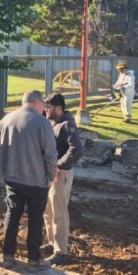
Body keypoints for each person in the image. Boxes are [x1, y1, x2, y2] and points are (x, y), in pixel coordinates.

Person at [0, 90, 57, 271]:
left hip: (12, 179)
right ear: (36, 102)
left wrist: (7, 168)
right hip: (36, 180)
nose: (44, 108)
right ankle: (33, 260)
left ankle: (8, 257)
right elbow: (50, 154)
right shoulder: (42, 123)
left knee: (12, 215)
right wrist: (51, 176)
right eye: (43, 104)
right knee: (35, 219)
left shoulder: (6, 120)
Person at [42, 93, 83, 265]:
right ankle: (52, 243)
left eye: (48, 108)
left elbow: (76, 149)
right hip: (51, 173)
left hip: (61, 174)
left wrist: (59, 166)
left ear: (58, 108)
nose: (45, 111)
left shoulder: (67, 125)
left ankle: (61, 251)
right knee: (48, 211)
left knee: (59, 212)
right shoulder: (52, 123)